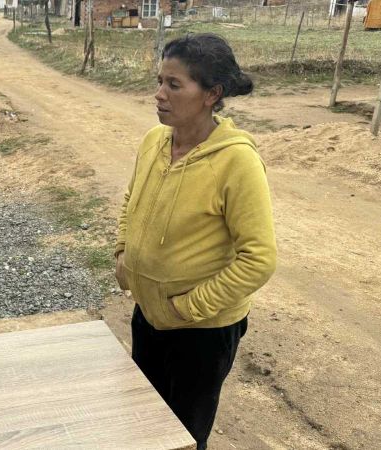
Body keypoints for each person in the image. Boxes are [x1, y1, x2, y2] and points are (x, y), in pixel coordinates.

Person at [114, 34, 277, 449]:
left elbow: (258, 259)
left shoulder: (237, 161)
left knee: (183, 434)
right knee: (144, 421)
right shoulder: (154, 141)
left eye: (174, 84)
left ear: (212, 94)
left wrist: (187, 308)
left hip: (201, 332)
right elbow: (131, 199)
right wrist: (122, 254)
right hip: (148, 314)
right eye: (159, 81)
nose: (159, 94)